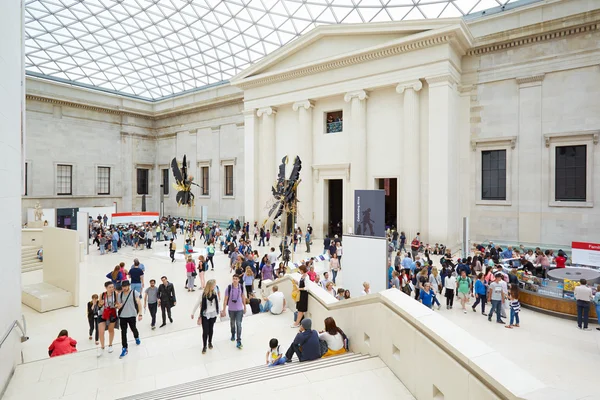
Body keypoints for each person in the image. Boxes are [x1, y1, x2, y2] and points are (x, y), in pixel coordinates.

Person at [192, 279, 219, 354]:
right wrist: (193, 313)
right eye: (214, 285)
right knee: (205, 331)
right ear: (210, 286)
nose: (214, 286)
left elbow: (217, 303)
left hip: (213, 314)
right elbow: (197, 303)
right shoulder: (203, 294)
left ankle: (210, 342)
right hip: (205, 315)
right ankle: (204, 346)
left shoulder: (214, 293)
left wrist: (218, 311)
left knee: (211, 329)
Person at [116, 280, 142, 358]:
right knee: (123, 332)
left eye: (125, 286)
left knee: (133, 328)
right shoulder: (120, 295)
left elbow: (139, 303)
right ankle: (124, 348)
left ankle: (136, 337)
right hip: (123, 316)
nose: (124, 288)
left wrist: (140, 314)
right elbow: (118, 305)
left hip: (132, 315)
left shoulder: (134, 293)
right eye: (123, 287)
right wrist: (118, 306)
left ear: (128, 286)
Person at [221, 274, 247, 349]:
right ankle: (233, 333)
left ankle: (238, 340)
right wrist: (224, 310)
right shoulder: (228, 288)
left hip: (239, 309)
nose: (235, 280)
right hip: (231, 309)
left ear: (238, 279)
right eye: (233, 279)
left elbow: (243, 297)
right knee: (232, 323)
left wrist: (244, 307)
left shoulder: (241, 287)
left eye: (236, 279)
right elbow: (225, 299)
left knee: (238, 324)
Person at [97, 281, 118, 357]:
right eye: (110, 287)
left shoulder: (115, 294)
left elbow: (117, 303)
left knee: (111, 330)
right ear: (106, 288)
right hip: (103, 313)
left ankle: (110, 345)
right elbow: (99, 305)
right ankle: (102, 346)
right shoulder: (102, 295)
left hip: (112, 313)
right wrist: (100, 304)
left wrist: (116, 305)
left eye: (112, 287)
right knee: (101, 331)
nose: (112, 289)